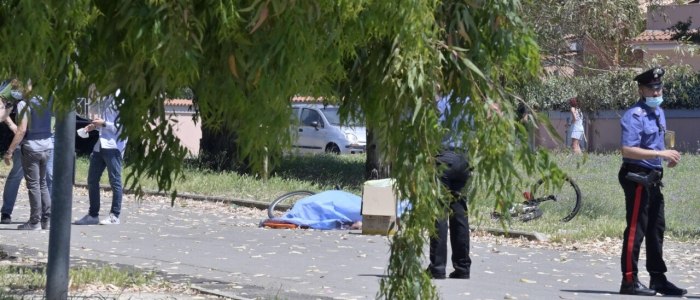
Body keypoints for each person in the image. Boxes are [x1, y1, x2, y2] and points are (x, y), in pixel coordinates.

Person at [618, 67, 685, 296]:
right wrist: (659, 155)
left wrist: (668, 155)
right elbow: (627, 149)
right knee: (637, 230)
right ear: (640, 90)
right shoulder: (634, 115)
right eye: (651, 88)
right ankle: (629, 281)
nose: (656, 93)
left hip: (654, 176)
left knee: (656, 229)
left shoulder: (658, 112)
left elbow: (658, 143)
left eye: (658, 88)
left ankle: (657, 279)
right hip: (637, 175)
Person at [426, 92, 471, 280]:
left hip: (443, 160)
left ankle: (437, 267)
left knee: (439, 215)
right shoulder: (467, 100)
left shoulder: (438, 102)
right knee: (460, 214)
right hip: (463, 160)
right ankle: (462, 268)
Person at [0, 79, 55, 225]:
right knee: (42, 182)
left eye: (18, 88)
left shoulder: (24, 104)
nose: (16, 92)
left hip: (29, 146)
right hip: (46, 145)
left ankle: (35, 221)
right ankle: (47, 218)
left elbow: (22, 130)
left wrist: (9, 151)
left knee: (34, 184)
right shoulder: (45, 101)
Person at [74, 93, 127, 225]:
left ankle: (115, 215)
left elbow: (123, 128)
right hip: (100, 145)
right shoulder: (106, 99)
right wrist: (93, 126)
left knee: (115, 181)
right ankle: (93, 215)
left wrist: (104, 124)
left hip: (114, 146)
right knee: (92, 180)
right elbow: (104, 122)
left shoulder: (122, 99)